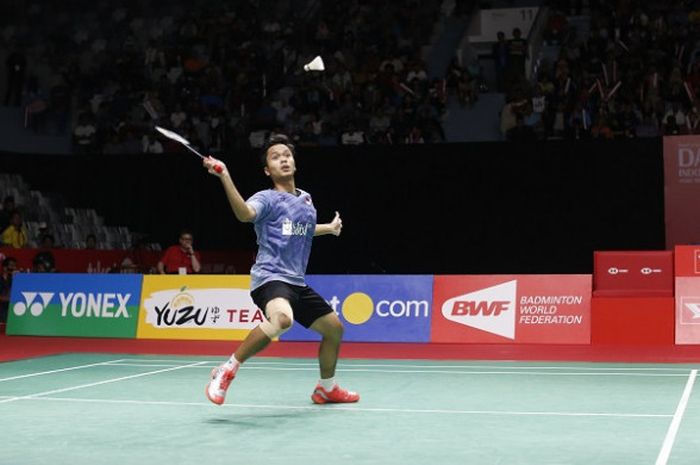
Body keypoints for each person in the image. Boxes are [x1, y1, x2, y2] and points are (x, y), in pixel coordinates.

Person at [202, 133, 359, 406]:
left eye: (286, 155)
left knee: (334, 329)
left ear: (294, 163)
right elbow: (245, 214)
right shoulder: (267, 199)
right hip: (269, 278)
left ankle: (326, 389)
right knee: (282, 320)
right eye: (275, 157)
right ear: (267, 170)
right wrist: (225, 175)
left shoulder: (306, 201)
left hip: (296, 283)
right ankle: (226, 370)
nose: (283, 159)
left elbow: (303, 230)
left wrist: (329, 229)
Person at [0, 256, 18, 323]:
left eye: (15, 266)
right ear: (5, 268)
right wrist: (7, 298)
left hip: (12, 307)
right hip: (2, 308)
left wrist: (15, 279)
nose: (14, 268)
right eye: (12, 265)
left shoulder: (15, 279)